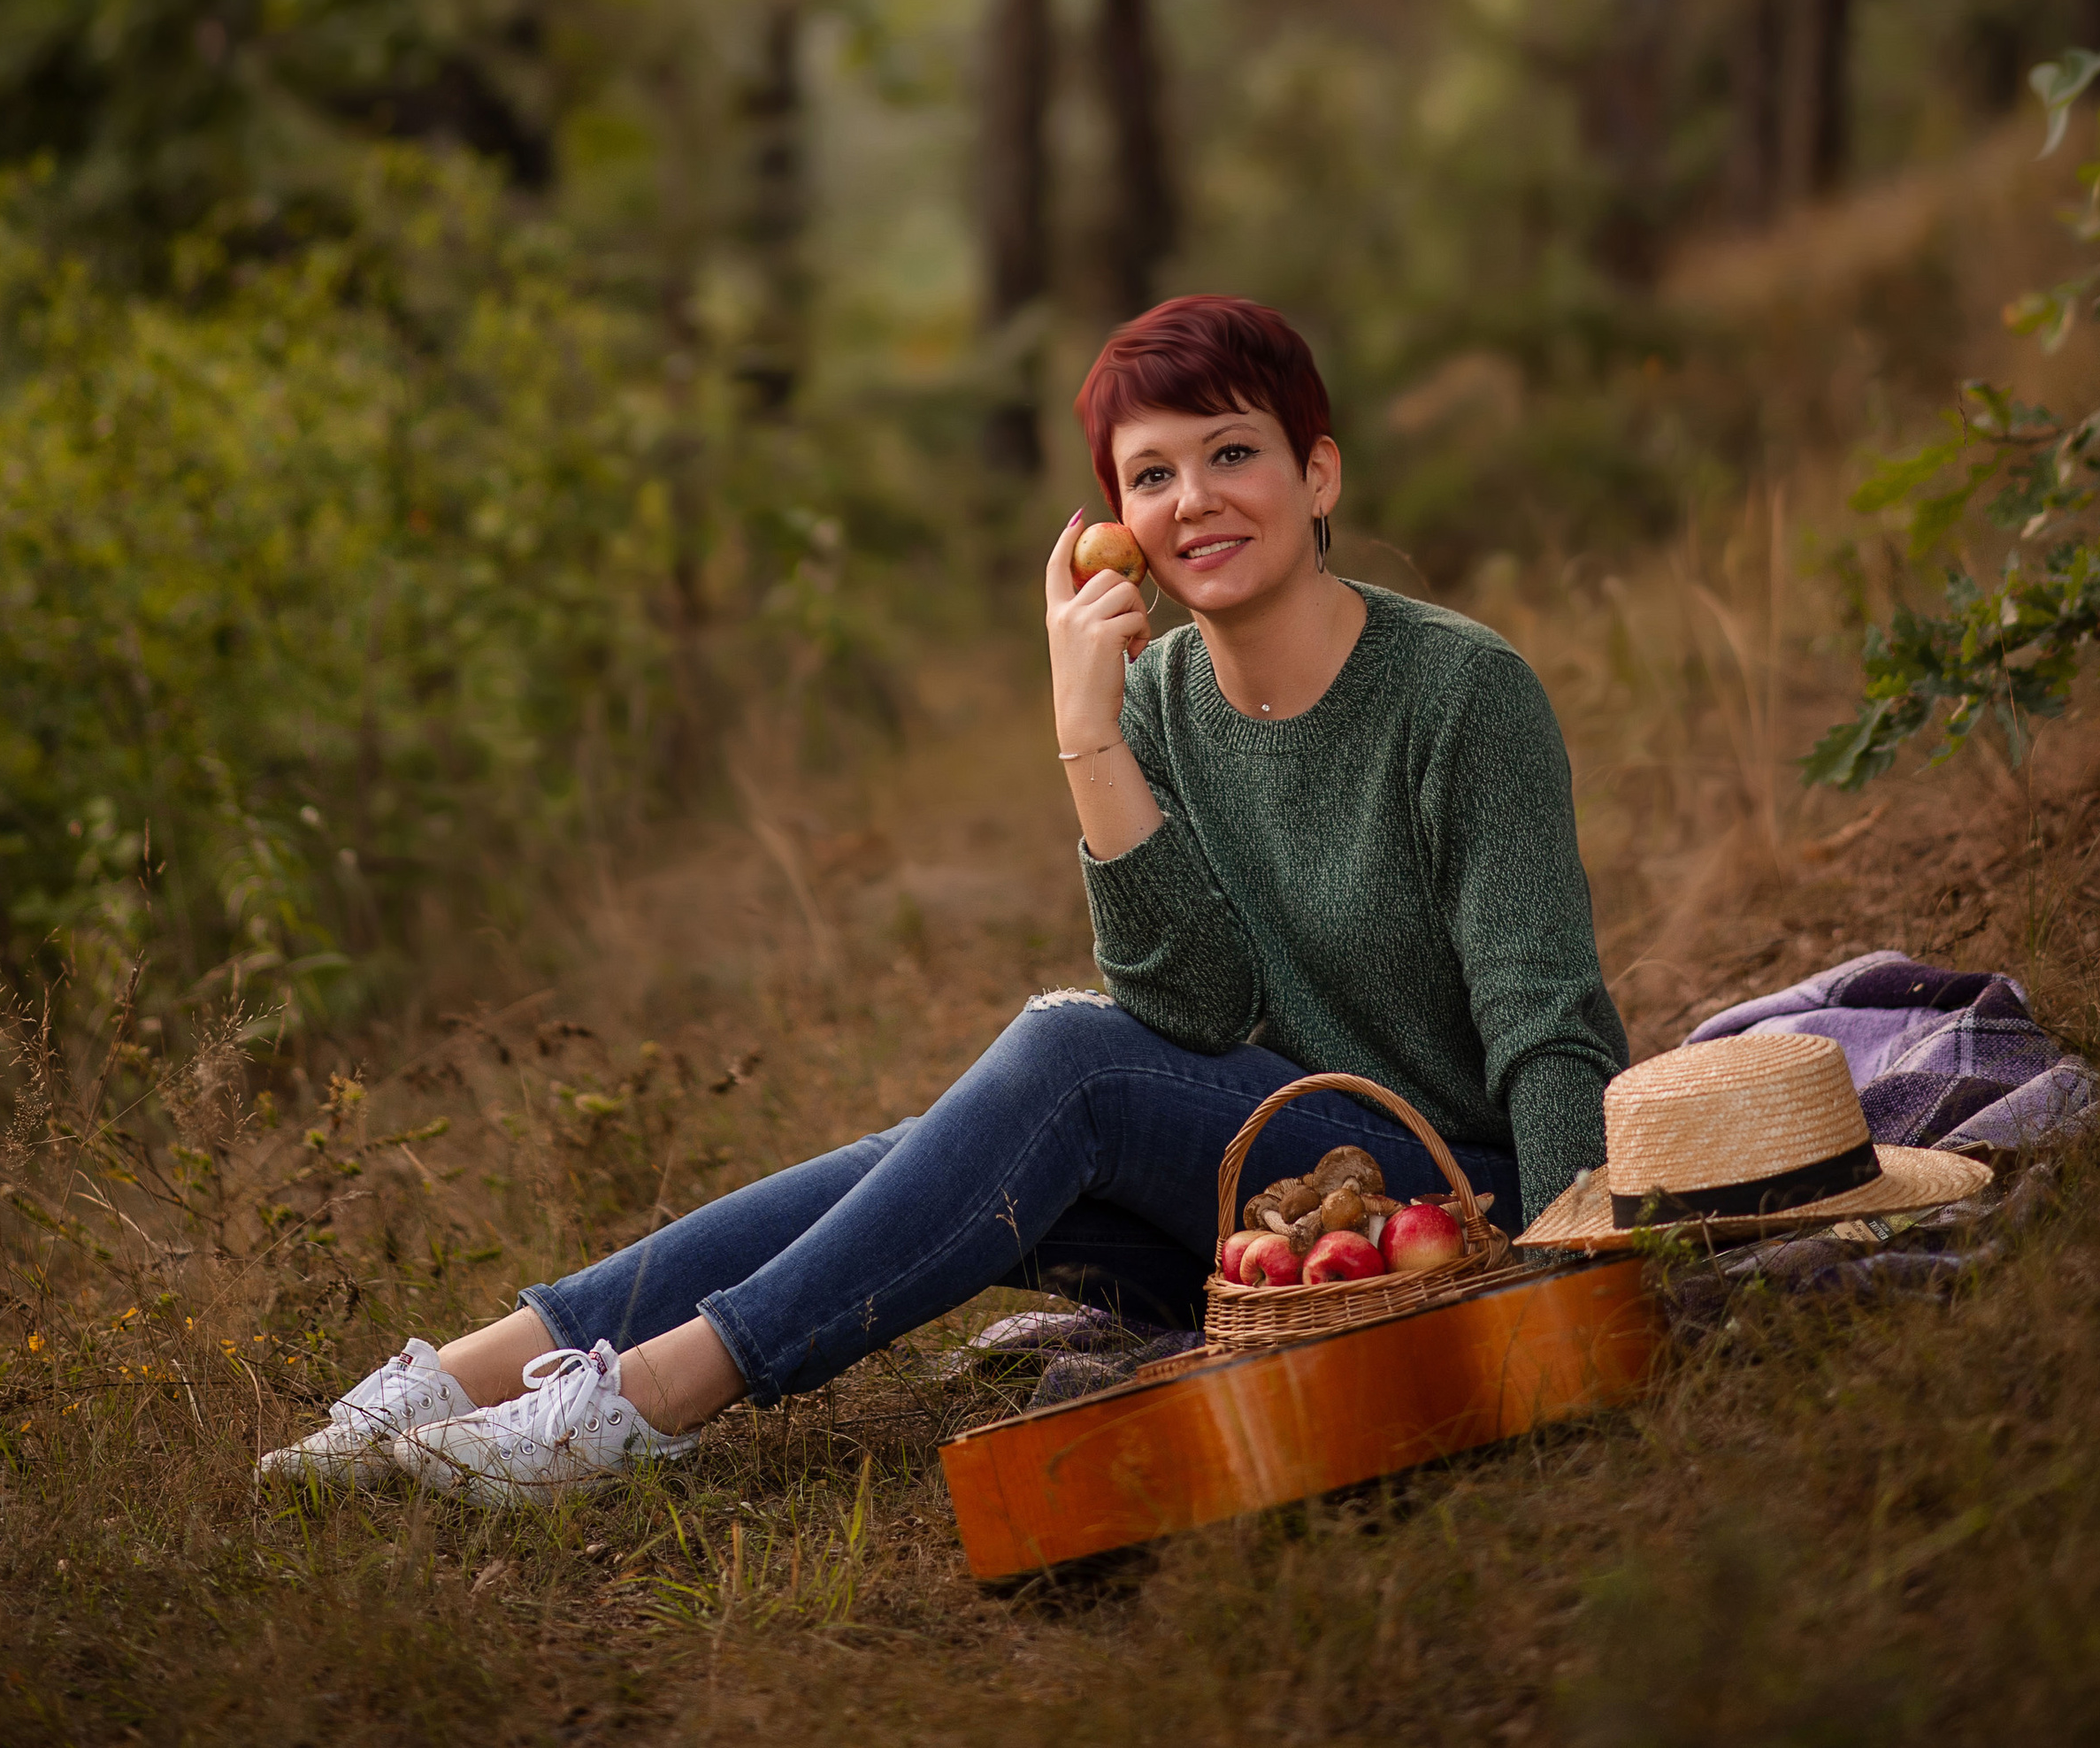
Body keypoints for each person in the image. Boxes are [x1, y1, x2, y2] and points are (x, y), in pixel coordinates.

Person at [259, 294, 1627, 1503]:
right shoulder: (1151, 698)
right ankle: (465, 1373)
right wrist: (1087, 731)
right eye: (1151, 473)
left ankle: (641, 1404)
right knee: (957, 1139)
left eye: (1231, 452)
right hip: (1264, 1228)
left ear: (1316, 471)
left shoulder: (1460, 693)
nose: (1194, 498)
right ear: (1116, 528)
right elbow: (1194, 1001)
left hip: (1452, 1208)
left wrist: (1558, 1283)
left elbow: (1548, 1019)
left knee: (1067, 1055)